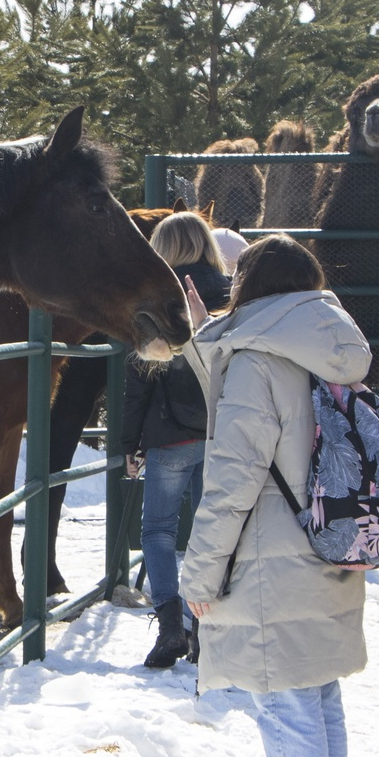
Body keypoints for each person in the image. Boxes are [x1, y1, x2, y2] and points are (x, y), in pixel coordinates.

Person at [178, 233, 374, 757]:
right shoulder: (331, 346)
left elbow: (232, 474)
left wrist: (201, 572)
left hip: (270, 558)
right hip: (328, 544)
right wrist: (205, 336)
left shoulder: (257, 361)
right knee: (319, 691)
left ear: (252, 288)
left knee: (283, 695)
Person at [115, 212, 235, 668]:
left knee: (158, 531)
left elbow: (138, 382)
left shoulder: (155, 300)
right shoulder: (231, 296)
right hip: (224, 436)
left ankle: (170, 624)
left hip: (169, 437)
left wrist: (130, 443)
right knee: (215, 531)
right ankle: (206, 625)